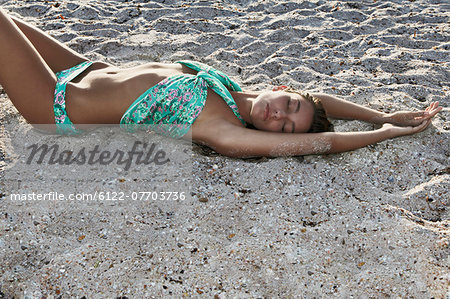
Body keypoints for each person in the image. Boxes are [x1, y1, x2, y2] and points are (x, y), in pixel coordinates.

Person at [0, 9, 442, 158]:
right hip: (82, 67)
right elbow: (317, 101)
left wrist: (382, 134)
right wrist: (379, 111)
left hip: (55, 104)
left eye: (284, 127)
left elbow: (317, 142)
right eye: (288, 106)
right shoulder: (233, 91)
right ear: (283, 87)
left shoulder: (223, 130)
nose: (280, 116)